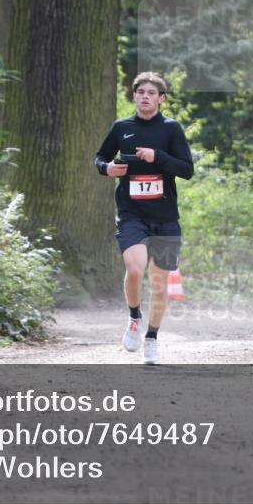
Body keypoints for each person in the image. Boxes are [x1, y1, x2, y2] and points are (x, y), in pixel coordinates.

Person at [94, 72, 194, 364]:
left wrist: (157, 156)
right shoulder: (122, 127)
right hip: (131, 213)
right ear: (134, 96)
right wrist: (106, 168)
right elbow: (100, 157)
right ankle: (134, 318)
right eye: (141, 92)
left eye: (151, 93)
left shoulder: (171, 129)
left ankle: (151, 338)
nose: (145, 97)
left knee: (159, 281)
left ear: (162, 99)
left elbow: (187, 170)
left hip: (165, 217)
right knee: (135, 269)